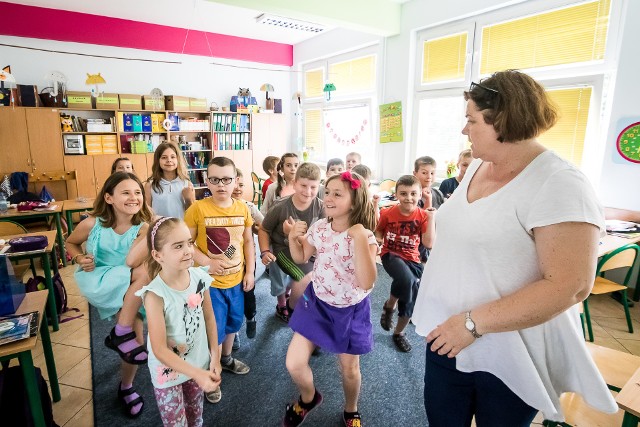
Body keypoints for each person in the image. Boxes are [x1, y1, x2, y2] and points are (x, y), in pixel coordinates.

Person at [412, 70, 617, 426]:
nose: (465, 131)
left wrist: (473, 324)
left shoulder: (559, 183)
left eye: (471, 121)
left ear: (502, 122)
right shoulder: (478, 165)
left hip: (506, 348)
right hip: (446, 334)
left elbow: (571, 285)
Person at [283, 170, 378, 427]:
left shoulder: (365, 236)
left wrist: (358, 237)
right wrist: (293, 238)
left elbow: (367, 281)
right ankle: (308, 398)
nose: (328, 198)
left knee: (349, 371)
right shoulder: (320, 227)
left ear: (355, 201)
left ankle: (351, 410)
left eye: (338, 194)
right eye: (327, 192)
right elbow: (301, 257)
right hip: (317, 303)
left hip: (349, 310)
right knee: (294, 363)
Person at [65, 172, 153, 418]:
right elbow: (70, 243)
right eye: (125, 192)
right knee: (133, 337)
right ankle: (126, 384)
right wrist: (80, 258)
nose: (134, 197)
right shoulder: (91, 224)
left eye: (137, 193)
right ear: (109, 197)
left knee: (135, 344)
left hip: (131, 289)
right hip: (104, 282)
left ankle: (126, 383)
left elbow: (133, 261)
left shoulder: (143, 228)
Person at [136, 217, 221, 427]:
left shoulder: (200, 278)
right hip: (169, 373)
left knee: (195, 416)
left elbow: (209, 318)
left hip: (198, 364)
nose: (188, 251)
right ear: (157, 255)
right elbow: (159, 349)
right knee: (176, 423)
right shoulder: (154, 295)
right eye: (178, 246)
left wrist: (215, 357)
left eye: (189, 243)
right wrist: (198, 374)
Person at [184, 156, 255, 404]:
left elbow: (247, 242)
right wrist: (208, 262)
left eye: (227, 179)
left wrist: (250, 272)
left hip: (236, 281)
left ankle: (225, 359)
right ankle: (211, 373)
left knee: (234, 323)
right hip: (209, 285)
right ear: (207, 181)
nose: (221, 185)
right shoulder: (198, 209)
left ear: (235, 180)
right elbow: (187, 244)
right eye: (215, 179)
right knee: (212, 330)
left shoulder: (242, 208)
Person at [258, 163, 324, 323]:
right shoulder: (281, 206)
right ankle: (293, 312)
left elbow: (321, 235)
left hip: (307, 250)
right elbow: (264, 229)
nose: (308, 192)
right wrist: (265, 251)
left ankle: (292, 300)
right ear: (294, 184)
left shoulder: (321, 207)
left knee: (318, 279)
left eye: (313, 187)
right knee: (305, 279)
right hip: (283, 249)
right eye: (303, 185)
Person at [376, 175, 435, 353]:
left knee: (410, 298)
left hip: (413, 259)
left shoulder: (423, 215)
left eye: (413, 194)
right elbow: (379, 230)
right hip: (390, 254)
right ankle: (391, 306)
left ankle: (398, 331)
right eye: (403, 193)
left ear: (419, 195)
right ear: (396, 195)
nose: (408, 198)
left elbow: (429, 243)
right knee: (407, 281)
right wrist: (377, 239)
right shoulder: (388, 213)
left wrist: (431, 218)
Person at [233, 168, 264, 340]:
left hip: (246, 258)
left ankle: (251, 316)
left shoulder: (249, 207)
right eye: (235, 184)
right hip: (228, 260)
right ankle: (234, 331)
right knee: (232, 297)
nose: (238, 188)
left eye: (241, 185)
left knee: (247, 291)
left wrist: (255, 228)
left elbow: (264, 227)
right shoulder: (216, 208)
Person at [144, 142, 195, 219]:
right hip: (159, 229)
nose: (169, 160)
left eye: (173, 157)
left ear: (178, 159)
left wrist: (188, 200)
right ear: (158, 160)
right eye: (164, 157)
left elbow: (192, 214)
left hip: (181, 228)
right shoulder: (150, 185)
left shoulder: (187, 184)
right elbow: (147, 213)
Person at [413, 155, 444, 263]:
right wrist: (428, 200)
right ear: (415, 174)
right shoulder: (412, 196)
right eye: (424, 172)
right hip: (419, 242)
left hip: (436, 238)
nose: (429, 176)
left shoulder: (438, 193)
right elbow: (422, 221)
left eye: (432, 173)